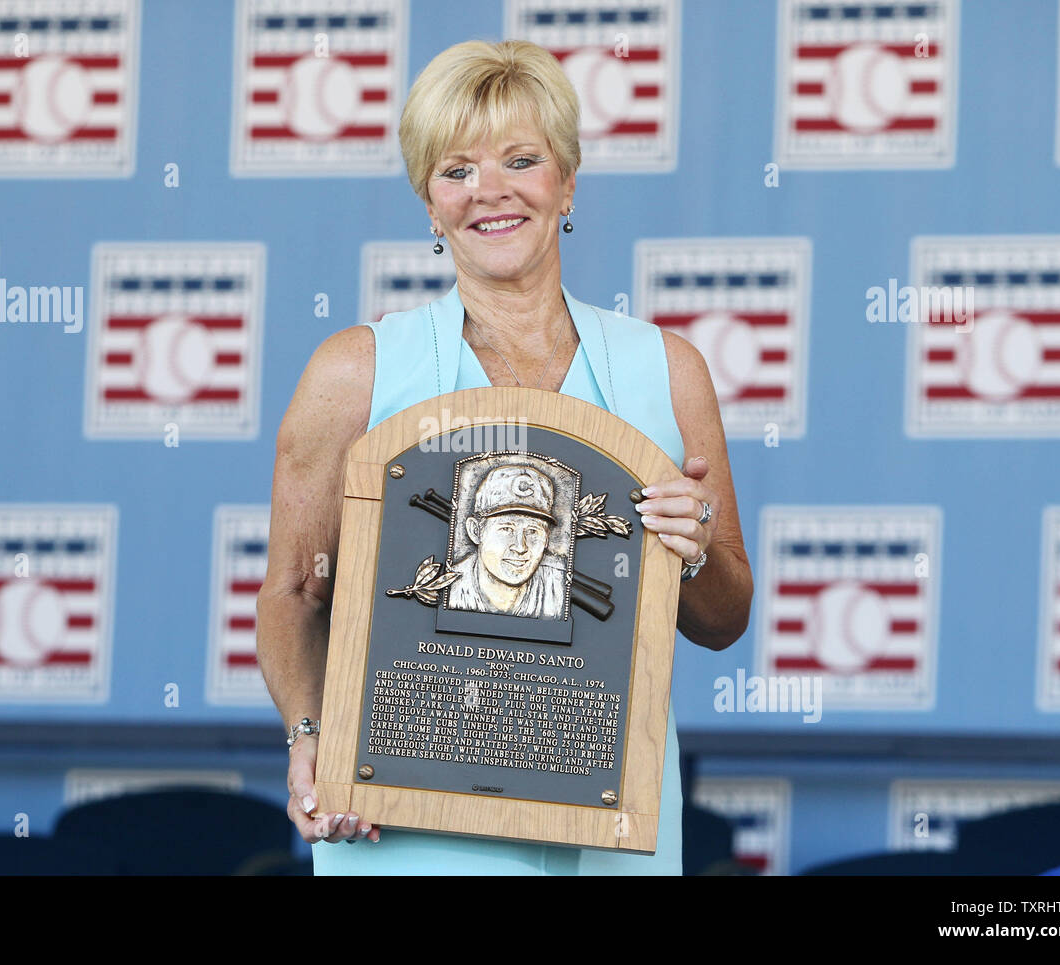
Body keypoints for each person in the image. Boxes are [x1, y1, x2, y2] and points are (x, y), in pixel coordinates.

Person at [257, 38, 753, 875]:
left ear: (567, 181)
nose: (489, 192)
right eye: (455, 171)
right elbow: (294, 592)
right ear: (427, 201)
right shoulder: (352, 371)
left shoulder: (666, 370)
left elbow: (724, 616)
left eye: (521, 160)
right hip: (401, 829)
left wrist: (696, 551)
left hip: (611, 824)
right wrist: (311, 735)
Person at [446, 462, 568, 619]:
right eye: (506, 529)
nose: (520, 547)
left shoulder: (559, 588)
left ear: (547, 538)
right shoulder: (449, 587)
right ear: (475, 531)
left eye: (532, 531)